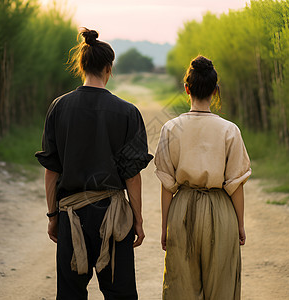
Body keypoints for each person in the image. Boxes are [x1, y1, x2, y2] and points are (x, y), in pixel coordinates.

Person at [35, 28, 153, 300]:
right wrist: (137, 220)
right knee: (120, 293)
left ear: (81, 66)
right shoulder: (127, 112)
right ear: (108, 69)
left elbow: (51, 171)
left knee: (70, 294)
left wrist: (53, 217)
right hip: (113, 217)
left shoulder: (58, 107)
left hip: (70, 215)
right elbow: (132, 176)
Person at [154, 55, 251, 300]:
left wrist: (166, 226)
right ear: (215, 91)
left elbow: (167, 186)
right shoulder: (230, 130)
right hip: (221, 210)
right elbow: (236, 185)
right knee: (222, 286)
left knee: (180, 287)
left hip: (182, 210)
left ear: (186, 89)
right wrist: (239, 224)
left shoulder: (171, 128)